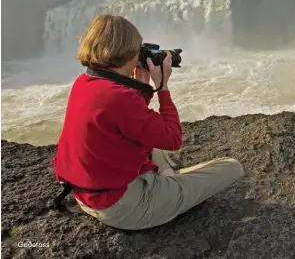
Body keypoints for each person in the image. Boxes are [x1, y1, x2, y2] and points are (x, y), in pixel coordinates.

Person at [53, 14, 244, 230]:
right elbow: (173, 139)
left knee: (152, 143)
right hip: (124, 208)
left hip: (86, 194)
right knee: (232, 168)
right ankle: (167, 186)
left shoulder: (85, 82)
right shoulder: (121, 97)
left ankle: (165, 180)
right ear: (127, 52)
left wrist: (142, 83)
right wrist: (162, 87)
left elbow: (129, 120)